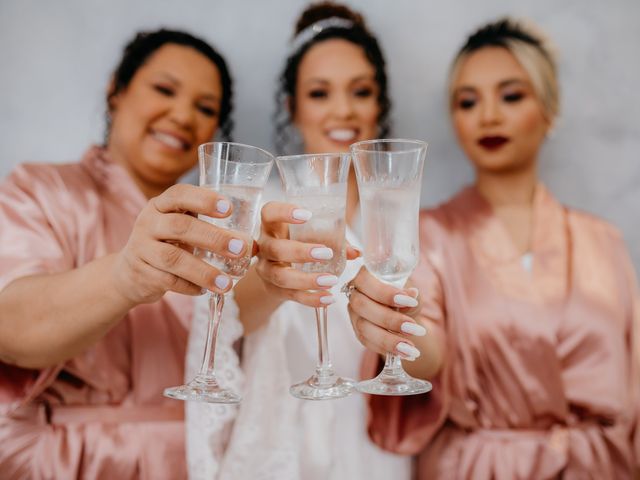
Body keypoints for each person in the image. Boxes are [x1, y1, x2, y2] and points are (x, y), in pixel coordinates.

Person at [346, 17, 640, 478]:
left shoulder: (604, 242)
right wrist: (392, 323)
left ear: (549, 107)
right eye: (468, 101)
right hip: (476, 468)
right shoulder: (428, 234)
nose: (488, 116)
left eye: (511, 95)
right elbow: (430, 355)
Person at [184, 3, 414, 479]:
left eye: (361, 91)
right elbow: (221, 318)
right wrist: (270, 277)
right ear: (293, 106)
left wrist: (404, 332)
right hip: (281, 440)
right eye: (319, 92)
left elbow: (436, 347)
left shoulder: (401, 215)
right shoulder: (259, 206)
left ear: (380, 105)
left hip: (369, 451)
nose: (343, 110)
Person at [0, 28, 240, 478]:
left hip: (195, 463)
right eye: (164, 89)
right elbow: (9, 329)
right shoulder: (40, 190)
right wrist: (124, 277)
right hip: (68, 462)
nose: (183, 115)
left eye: (205, 108)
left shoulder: (223, 229)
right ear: (117, 90)